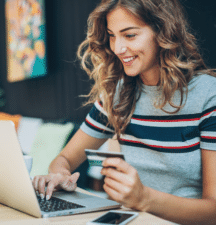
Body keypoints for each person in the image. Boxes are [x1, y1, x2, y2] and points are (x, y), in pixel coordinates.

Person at [32, 0, 216, 224]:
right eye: (112, 35)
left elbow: (213, 210)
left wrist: (144, 198)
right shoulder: (117, 94)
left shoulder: (208, 94)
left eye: (129, 35)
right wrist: (60, 173)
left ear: (162, 32)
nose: (117, 48)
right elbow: (64, 158)